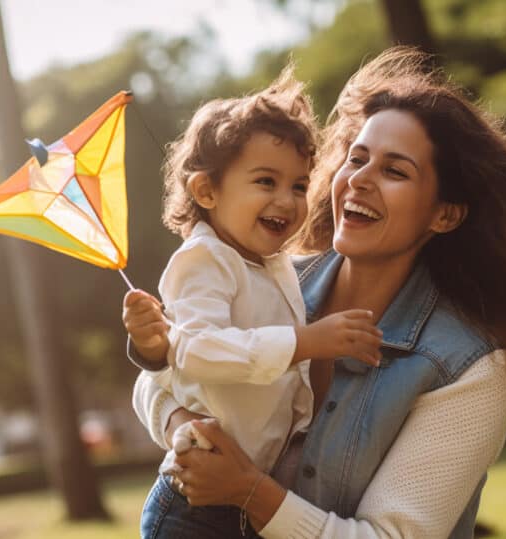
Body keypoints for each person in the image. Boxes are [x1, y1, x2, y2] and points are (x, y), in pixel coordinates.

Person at [125, 46, 506, 538]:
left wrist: (248, 490)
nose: (358, 179)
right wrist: (185, 429)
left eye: (395, 171)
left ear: (445, 214)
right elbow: (166, 375)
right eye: (356, 159)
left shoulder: (468, 365)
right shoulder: (275, 276)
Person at [126, 67, 384, 538]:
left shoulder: (275, 262)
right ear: (206, 191)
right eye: (266, 181)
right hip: (193, 509)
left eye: (300, 186)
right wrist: (305, 342)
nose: (287, 201)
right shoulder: (203, 260)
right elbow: (196, 351)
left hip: (245, 499)